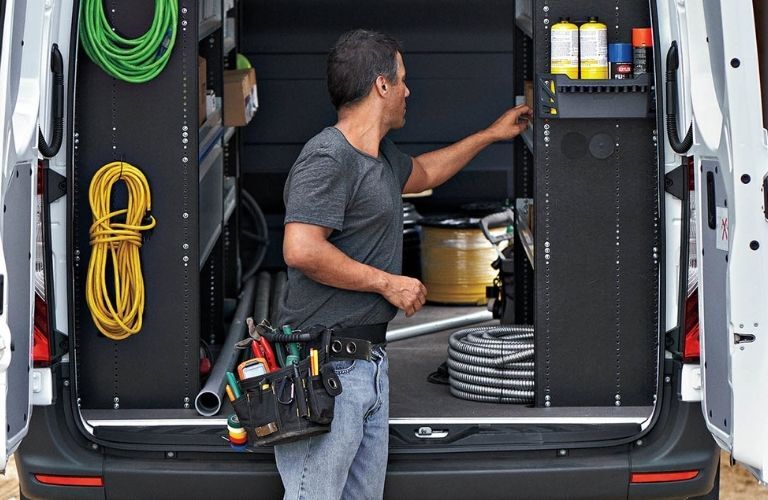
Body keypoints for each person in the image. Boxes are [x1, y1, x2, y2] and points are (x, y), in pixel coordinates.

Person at [275, 28, 532, 500]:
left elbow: (428, 172)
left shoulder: (379, 158)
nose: (409, 91)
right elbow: (302, 249)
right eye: (403, 80)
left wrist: (491, 135)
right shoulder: (328, 157)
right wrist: (387, 284)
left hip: (367, 364)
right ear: (381, 85)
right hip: (326, 368)